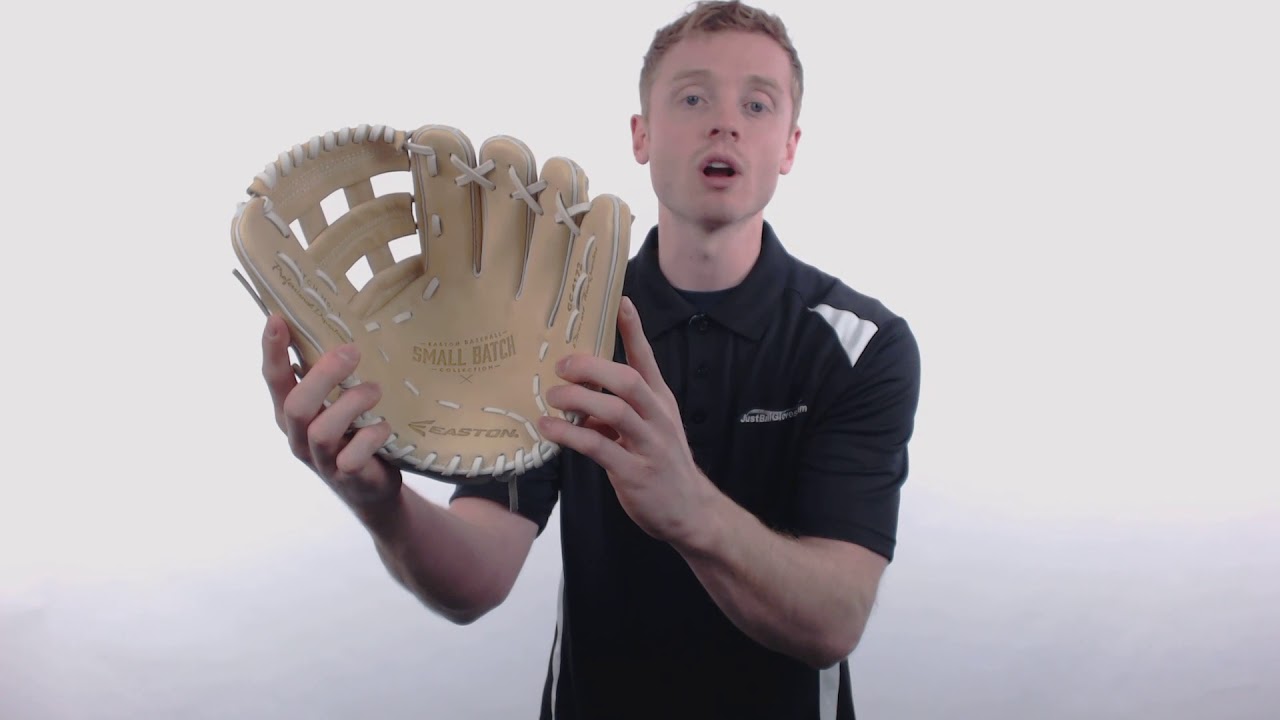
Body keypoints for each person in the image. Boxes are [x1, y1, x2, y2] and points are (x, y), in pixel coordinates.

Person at [258, 2, 921, 717]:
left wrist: (688, 507)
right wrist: (380, 505)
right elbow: (476, 580)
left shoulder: (862, 345)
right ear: (641, 135)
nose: (725, 122)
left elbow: (833, 621)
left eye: (757, 104)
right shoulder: (554, 327)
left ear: (789, 146)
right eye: (692, 97)